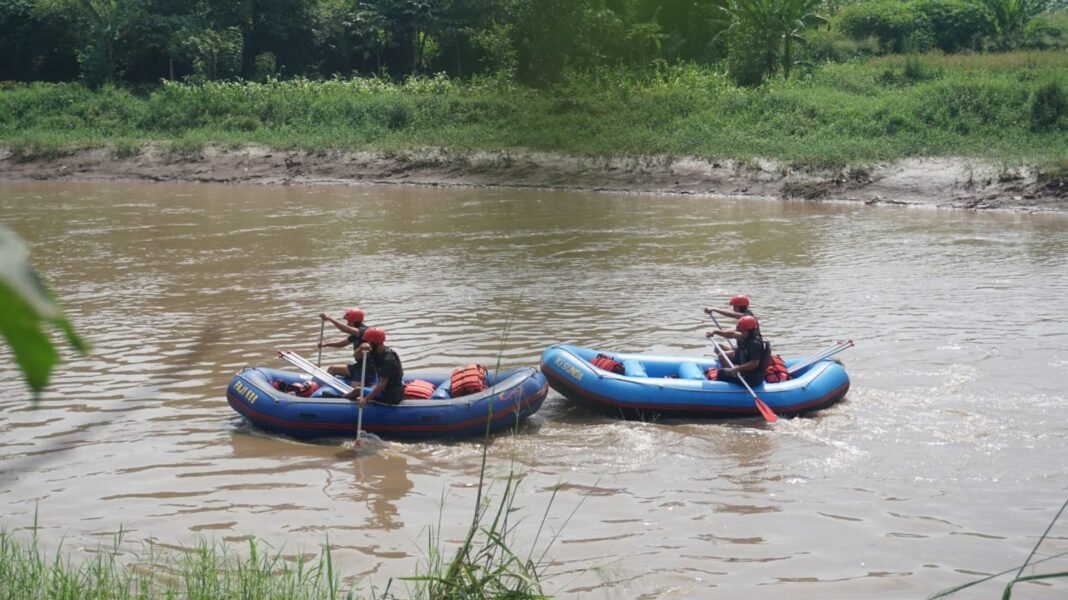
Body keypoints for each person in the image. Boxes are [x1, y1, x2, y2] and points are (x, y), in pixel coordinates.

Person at [346, 327, 404, 406]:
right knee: (363, 389)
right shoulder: (375, 351)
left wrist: (366, 399)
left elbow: (382, 385)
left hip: (390, 396)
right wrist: (360, 348)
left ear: (375, 342)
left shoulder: (387, 359)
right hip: (386, 389)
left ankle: (340, 400)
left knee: (357, 390)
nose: (366, 343)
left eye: (368, 341)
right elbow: (356, 356)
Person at [706, 315, 768, 387]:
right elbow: (732, 334)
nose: (741, 333)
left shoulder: (754, 343)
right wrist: (715, 332)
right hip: (748, 372)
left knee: (721, 373)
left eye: (743, 331)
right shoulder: (746, 336)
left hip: (752, 378)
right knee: (725, 367)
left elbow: (754, 363)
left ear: (749, 330)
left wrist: (736, 369)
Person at [319, 307, 369, 378]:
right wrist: (326, 344)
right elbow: (342, 343)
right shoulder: (356, 333)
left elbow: (345, 329)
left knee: (331, 369)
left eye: (348, 321)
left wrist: (329, 318)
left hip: (365, 368)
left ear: (353, 322)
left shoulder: (363, 331)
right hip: (361, 365)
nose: (347, 323)